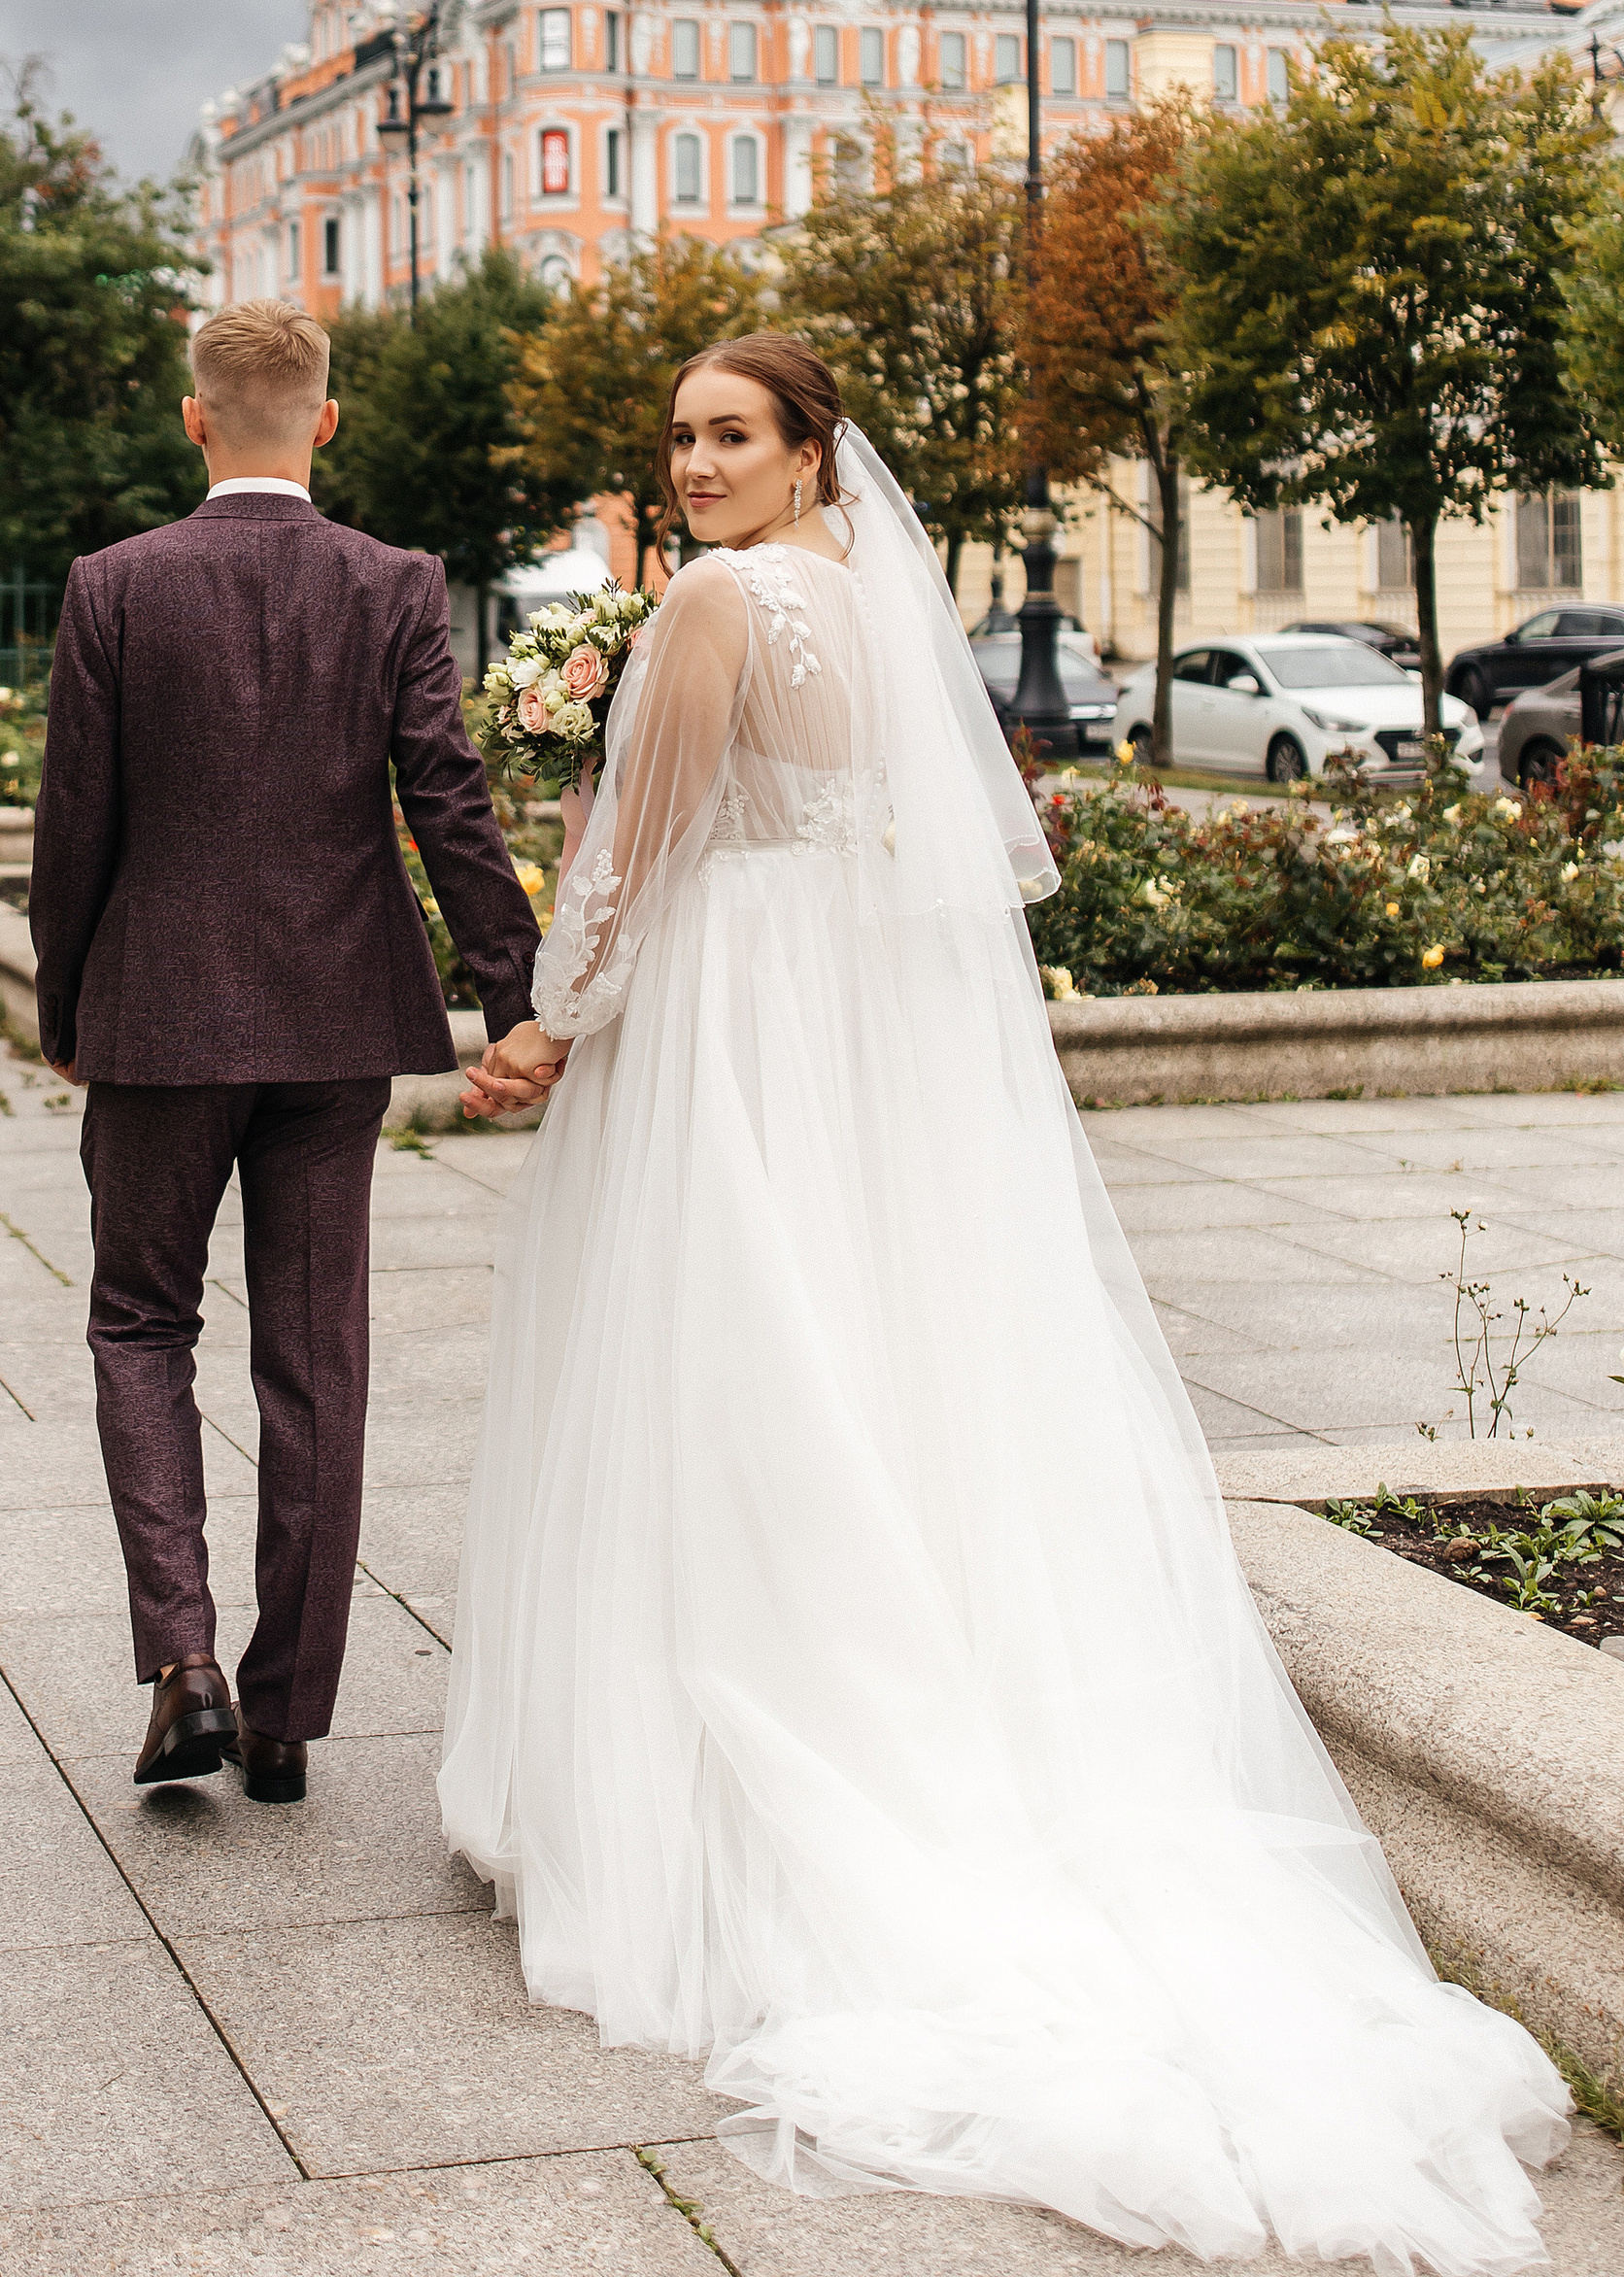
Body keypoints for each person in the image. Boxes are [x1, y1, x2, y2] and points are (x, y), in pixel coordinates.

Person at [442, 332, 1568, 2272]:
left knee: (720, 1365)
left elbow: (639, 848)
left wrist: (547, 1024)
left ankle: (700, 1779)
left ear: (807, 456)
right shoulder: (882, 602)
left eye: (731, 436)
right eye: (683, 440)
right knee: (858, 1360)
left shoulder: (713, 601)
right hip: (846, 1025)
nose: (696, 465)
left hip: (732, 1020)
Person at [31, 297, 543, 1805]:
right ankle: (284, 1716)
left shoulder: (115, 586)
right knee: (316, 1362)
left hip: (160, 1016)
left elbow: (76, 826)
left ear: (195, 417)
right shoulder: (394, 583)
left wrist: (69, 1002)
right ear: (326, 422)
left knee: (142, 1324)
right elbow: (450, 799)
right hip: (335, 1025)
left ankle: (180, 1657)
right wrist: (506, 995)